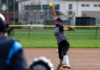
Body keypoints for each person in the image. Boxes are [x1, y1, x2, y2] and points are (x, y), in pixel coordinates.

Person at [50, 5, 74, 70]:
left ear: (60, 23)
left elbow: (65, 28)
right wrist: (52, 8)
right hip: (59, 45)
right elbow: (54, 16)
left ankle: (68, 64)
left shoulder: (60, 27)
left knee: (64, 53)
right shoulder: (57, 27)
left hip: (65, 43)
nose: (57, 21)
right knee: (60, 61)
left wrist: (69, 29)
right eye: (57, 21)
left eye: (58, 21)